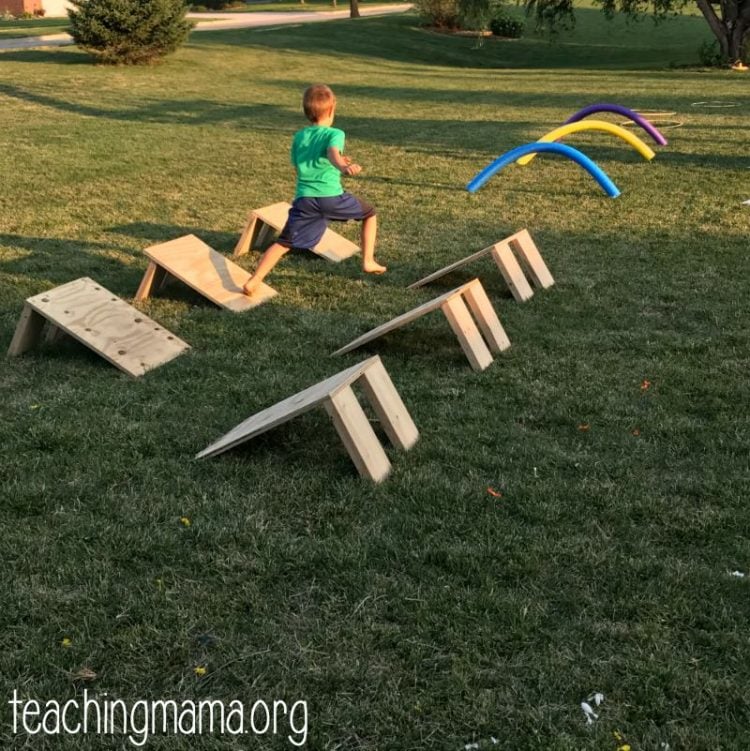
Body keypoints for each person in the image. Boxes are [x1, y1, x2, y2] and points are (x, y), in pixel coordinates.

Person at [243, 84, 385, 296]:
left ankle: (254, 280)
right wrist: (343, 166)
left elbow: (308, 159)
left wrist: (336, 162)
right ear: (332, 109)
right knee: (369, 213)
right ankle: (368, 261)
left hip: (305, 200)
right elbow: (332, 153)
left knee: (283, 243)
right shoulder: (336, 133)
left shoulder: (300, 136)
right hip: (331, 198)